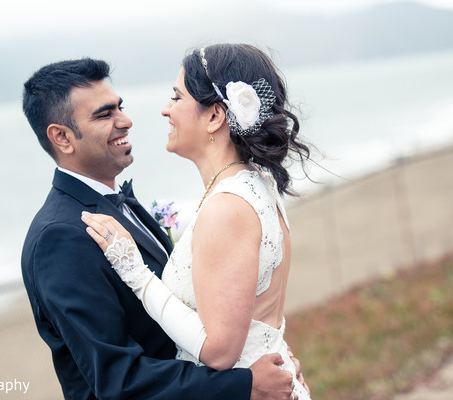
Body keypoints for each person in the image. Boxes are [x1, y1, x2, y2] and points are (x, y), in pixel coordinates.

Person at [21, 57, 301, 399]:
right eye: (105, 114)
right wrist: (245, 384)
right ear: (62, 137)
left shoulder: (121, 206)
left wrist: (266, 357)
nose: (126, 121)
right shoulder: (61, 237)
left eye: (119, 107)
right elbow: (118, 380)